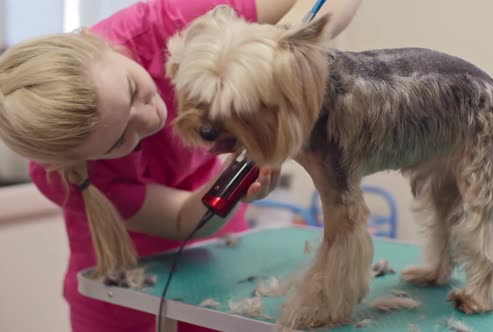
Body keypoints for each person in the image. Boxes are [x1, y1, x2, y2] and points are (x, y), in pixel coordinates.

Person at [0, 0, 362, 331]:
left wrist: (279, 50)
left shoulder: (173, 23)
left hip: (221, 268)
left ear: (102, 46)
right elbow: (179, 219)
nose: (150, 118)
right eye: (120, 140)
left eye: (131, 89)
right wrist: (227, 183)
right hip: (117, 294)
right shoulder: (58, 174)